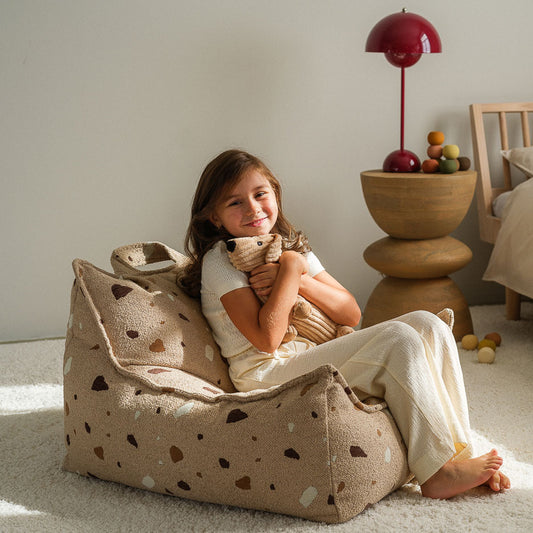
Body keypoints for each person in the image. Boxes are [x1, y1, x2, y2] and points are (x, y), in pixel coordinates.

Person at [180, 149, 510, 500]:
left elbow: (350, 312)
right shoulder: (222, 262)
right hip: (264, 372)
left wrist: (297, 274)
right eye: (235, 203)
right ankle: (437, 473)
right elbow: (266, 340)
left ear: (275, 193)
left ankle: (457, 455)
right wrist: (291, 272)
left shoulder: (291, 247)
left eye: (260, 194)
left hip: (313, 353)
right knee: (398, 339)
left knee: (430, 324)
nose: (253, 208)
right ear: (214, 218)